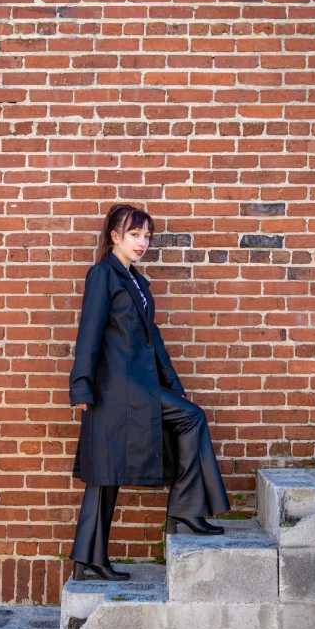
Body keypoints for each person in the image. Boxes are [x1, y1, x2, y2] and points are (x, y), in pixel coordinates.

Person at [69, 203, 231, 581]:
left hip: (138, 389)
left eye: (147, 236)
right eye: (135, 234)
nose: (142, 242)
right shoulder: (102, 275)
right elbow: (88, 333)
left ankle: (89, 556)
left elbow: (153, 339)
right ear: (115, 237)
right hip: (115, 390)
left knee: (181, 422)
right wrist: (82, 388)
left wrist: (172, 383)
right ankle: (184, 510)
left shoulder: (136, 283)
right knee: (105, 473)